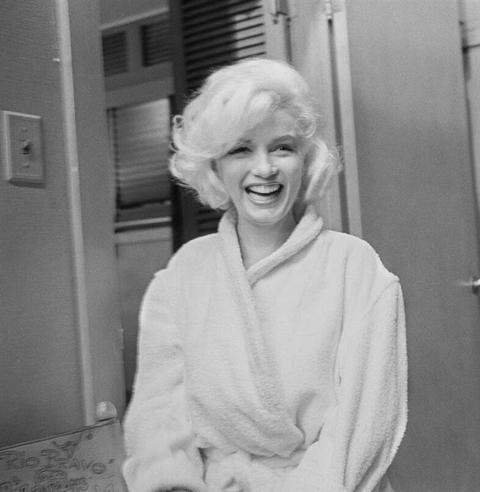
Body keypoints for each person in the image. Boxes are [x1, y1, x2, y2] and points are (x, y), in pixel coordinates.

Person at [122, 58, 408, 492]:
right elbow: (158, 418)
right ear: (214, 166)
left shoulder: (356, 267)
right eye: (241, 149)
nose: (265, 169)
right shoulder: (183, 274)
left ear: (305, 159)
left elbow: (363, 428)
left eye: (282, 147)